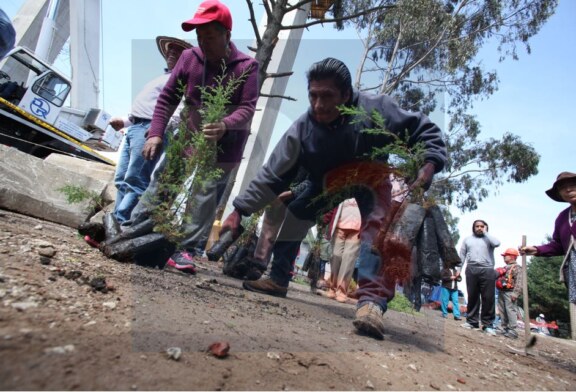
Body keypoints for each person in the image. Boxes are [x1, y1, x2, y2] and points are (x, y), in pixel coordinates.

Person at [220, 57, 447, 339]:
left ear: (346, 94)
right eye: (313, 96)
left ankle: (372, 303)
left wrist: (430, 162)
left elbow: (423, 130)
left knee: (378, 228)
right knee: (297, 212)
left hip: (370, 177)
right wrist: (239, 210)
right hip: (325, 180)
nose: (318, 105)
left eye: (327, 96)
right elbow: (272, 175)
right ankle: (278, 279)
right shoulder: (302, 130)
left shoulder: (377, 109)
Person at [103, 0, 259, 271]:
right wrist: (155, 133)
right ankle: (134, 230)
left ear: (227, 36)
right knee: (165, 179)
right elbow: (167, 99)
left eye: (209, 37)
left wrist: (225, 124)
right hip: (189, 134)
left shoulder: (247, 66)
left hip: (226, 144)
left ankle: (186, 249)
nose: (203, 42)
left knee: (204, 193)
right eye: (199, 36)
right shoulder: (190, 58)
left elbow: (247, 107)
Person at [109, 36, 191, 224]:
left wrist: (159, 131)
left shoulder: (182, 81)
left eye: (177, 51)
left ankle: (122, 222)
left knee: (136, 179)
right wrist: (124, 121)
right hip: (136, 128)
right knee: (122, 178)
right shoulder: (162, 78)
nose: (171, 53)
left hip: (150, 129)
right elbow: (145, 107)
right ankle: (116, 222)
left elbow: (179, 110)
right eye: (170, 50)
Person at [521, 171, 576, 307]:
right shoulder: (562, 218)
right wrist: (536, 250)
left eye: (572, 185)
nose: (568, 189)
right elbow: (558, 245)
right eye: (563, 187)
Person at [459, 220, 501, 335]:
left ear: (485, 227)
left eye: (481, 226)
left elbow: (497, 243)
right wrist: (458, 270)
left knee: (488, 297)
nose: (479, 228)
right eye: (477, 226)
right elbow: (461, 255)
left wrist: (486, 233)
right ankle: (472, 322)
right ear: (473, 228)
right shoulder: (467, 239)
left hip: (487, 269)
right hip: (471, 269)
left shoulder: (489, 239)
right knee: (472, 296)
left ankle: (488, 325)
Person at [325, 198, 361, 303]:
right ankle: (332, 288)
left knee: (348, 259)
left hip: (357, 230)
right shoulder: (345, 189)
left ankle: (341, 291)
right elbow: (333, 206)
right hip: (339, 227)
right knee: (336, 256)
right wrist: (325, 219)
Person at [495, 248, 522, 339]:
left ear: (511, 257)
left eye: (505, 256)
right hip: (502, 291)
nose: (504, 257)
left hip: (510, 292)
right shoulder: (505, 267)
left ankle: (512, 330)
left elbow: (519, 281)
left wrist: (516, 293)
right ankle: (503, 327)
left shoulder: (517, 267)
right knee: (502, 310)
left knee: (510, 310)